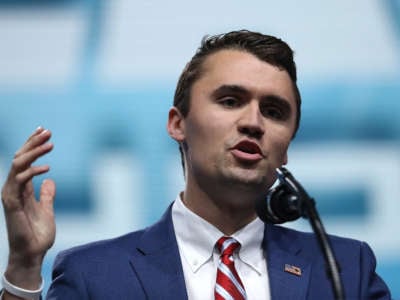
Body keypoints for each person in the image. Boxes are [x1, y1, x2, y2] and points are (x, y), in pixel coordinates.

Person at [0, 30, 391, 299]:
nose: (253, 122)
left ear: (286, 146)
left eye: (273, 111)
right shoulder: (94, 274)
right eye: (230, 100)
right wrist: (22, 266)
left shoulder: (343, 269)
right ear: (178, 124)